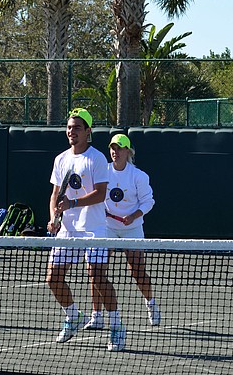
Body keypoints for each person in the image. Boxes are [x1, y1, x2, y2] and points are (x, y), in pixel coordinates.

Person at [46, 108, 125, 351]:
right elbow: (54, 195)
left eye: (77, 127)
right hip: (68, 230)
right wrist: (54, 218)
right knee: (52, 278)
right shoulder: (61, 159)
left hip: (94, 229)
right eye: (69, 127)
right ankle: (73, 315)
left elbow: (101, 194)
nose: (71, 131)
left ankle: (116, 326)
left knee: (97, 277)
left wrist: (73, 203)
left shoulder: (97, 159)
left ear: (88, 131)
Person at [85, 133, 159, 330]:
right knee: (96, 271)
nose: (115, 152)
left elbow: (148, 201)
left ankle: (151, 303)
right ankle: (96, 315)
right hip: (106, 227)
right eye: (113, 148)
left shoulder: (139, 176)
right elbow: (95, 196)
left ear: (128, 151)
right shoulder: (103, 172)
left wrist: (133, 216)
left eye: (119, 148)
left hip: (132, 229)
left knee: (137, 271)